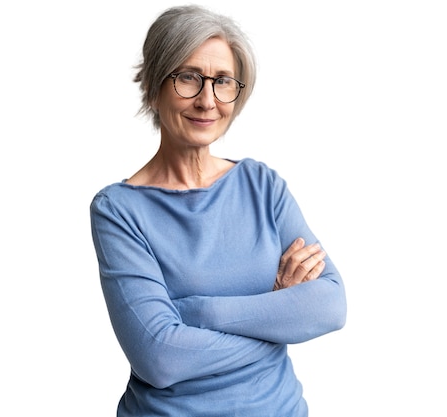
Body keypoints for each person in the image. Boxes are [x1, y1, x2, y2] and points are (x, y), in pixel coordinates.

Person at [89, 5, 347, 416]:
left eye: (223, 81)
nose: (207, 100)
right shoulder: (119, 210)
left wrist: (197, 311)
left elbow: (329, 306)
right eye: (188, 78)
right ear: (155, 86)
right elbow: (160, 358)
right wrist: (276, 312)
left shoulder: (262, 186)